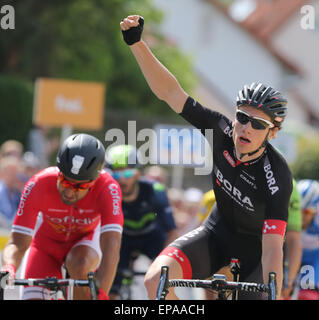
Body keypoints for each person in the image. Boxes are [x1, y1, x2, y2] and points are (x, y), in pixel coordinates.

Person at [120, 15, 292, 300]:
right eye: (242, 117)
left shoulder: (277, 174)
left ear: (272, 134)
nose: (246, 127)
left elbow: (274, 245)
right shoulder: (220, 131)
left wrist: (272, 286)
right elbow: (171, 93)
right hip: (216, 232)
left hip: (255, 251)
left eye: (258, 124)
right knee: (155, 283)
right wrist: (136, 43)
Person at [1, 133, 124, 300]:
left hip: (84, 244)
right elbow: (17, 241)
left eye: (80, 186)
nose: (70, 191)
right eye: (65, 181)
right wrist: (9, 266)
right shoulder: (38, 184)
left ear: (93, 182)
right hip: (45, 247)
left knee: (79, 263)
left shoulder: (108, 188)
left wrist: (101, 295)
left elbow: (112, 245)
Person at [105, 144, 178, 299]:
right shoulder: (106, 193)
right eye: (116, 175)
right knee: (110, 288)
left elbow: (172, 231)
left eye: (128, 173)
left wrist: (163, 263)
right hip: (123, 240)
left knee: (163, 283)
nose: (123, 180)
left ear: (138, 173)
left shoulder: (155, 190)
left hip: (152, 239)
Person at [296, 179, 319, 300]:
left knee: (307, 294)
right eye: (298, 212)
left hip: (314, 258)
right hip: (294, 254)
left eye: (306, 212)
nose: (301, 218)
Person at [0, 156, 24, 228]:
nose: (14, 176)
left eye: (16, 173)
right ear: (1, 174)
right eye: (10, 172)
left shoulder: (18, 193)